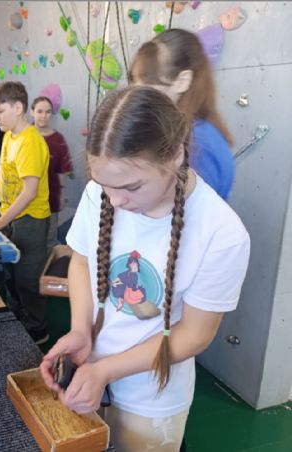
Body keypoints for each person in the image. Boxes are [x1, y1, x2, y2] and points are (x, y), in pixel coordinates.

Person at [40, 86, 250, 451]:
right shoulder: (99, 195)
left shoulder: (222, 233)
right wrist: (80, 330)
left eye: (132, 186)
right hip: (87, 371)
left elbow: (194, 335)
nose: (116, 200)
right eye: (105, 185)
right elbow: (82, 261)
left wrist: (106, 369)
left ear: (176, 155)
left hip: (151, 399)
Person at [129, 28, 235, 200]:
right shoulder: (191, 131)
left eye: (147, 81)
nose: (135, 91)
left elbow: (185, 210)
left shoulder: (197, 144)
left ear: (182, 81)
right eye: (134, 80)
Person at [0, 81, 51, 345]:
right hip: (9, 218)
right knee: (10, 277)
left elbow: (30, 191)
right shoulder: (8, 136)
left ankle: (37, 330)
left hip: (30, 221)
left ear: (18, 107)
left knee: (27, 280)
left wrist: (0, 221)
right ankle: (16, 322)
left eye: (0, 111)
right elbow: (0, 174)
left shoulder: (30, 141)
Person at [31, 96, 73, 253]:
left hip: (51, 197)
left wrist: (61, 196)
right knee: (30, 240)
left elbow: (61, 171)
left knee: (49, 239)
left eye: (48, 112)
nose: (44, 116)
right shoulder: (24, 136)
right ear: (32, 112)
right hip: (28, 199)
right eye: (40, 111)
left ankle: (47, 267)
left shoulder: (58, 139)